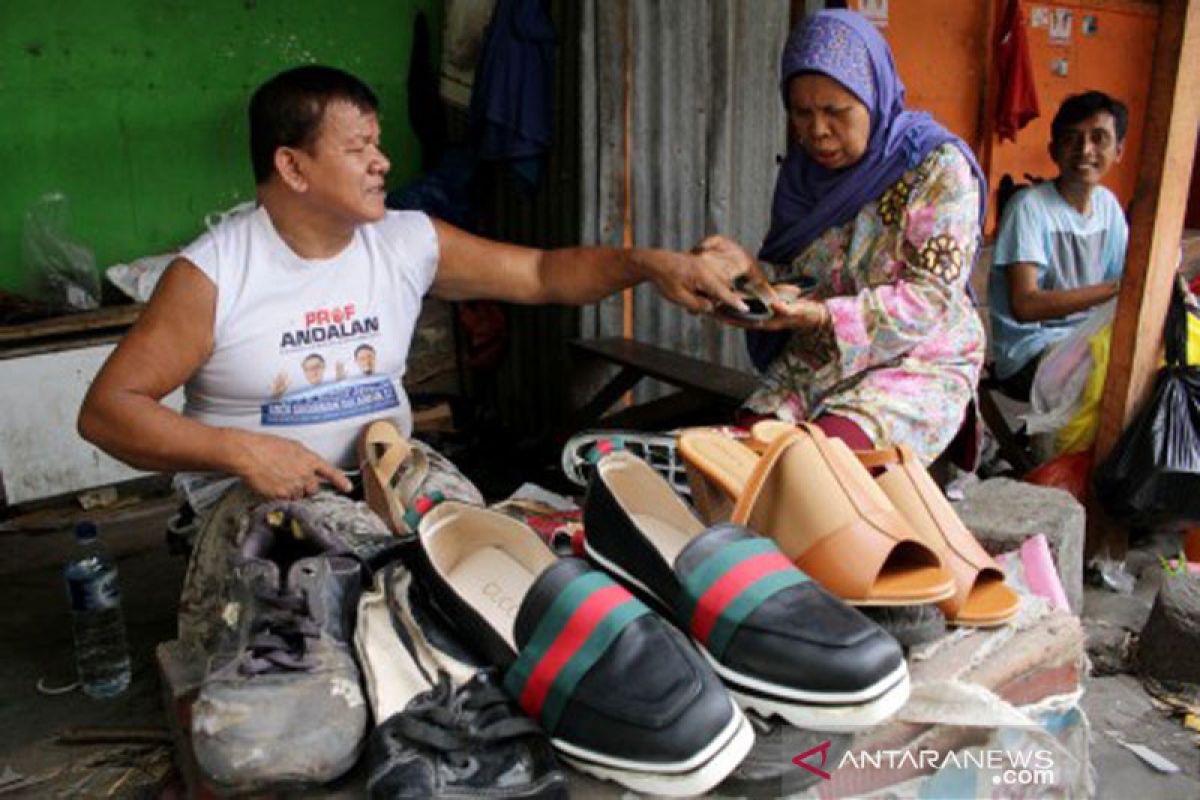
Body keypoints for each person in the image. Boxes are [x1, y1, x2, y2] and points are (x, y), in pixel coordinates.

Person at [76, 64, 747, 651]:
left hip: (388, 471)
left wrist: (646, 264)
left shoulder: (404, 240)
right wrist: (241, 451)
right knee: (334, 614)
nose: (383, 162)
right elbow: (108, 413)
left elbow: (543, 273)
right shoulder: (216, 273)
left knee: (496, 579)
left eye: (378, 143)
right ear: (293, 167)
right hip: (258, 499)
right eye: (359, 147)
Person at [705, 10, 988, 467]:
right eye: (802, 112)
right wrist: (750, 278)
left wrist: (818, 317)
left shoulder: (937, 167)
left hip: (918, 358)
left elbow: (928, 300)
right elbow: (804, 277)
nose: (817, 131)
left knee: (815, 469)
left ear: (874, 96)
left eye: (836, 111)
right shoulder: (804, 172)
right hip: (823, 358)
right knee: (737, 457)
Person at [988, 90, 1129, 401]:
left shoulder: (1108, 207)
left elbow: (1123, 284)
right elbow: (1025, 306)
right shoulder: (1030, 208)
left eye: (1099, 138)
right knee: (1119, 381)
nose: (1085, 150)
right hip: (1030, 354)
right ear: (1053, 150)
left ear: (1119, 150)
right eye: (1072, 138)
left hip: (1086, 340)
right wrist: (1115, 289)